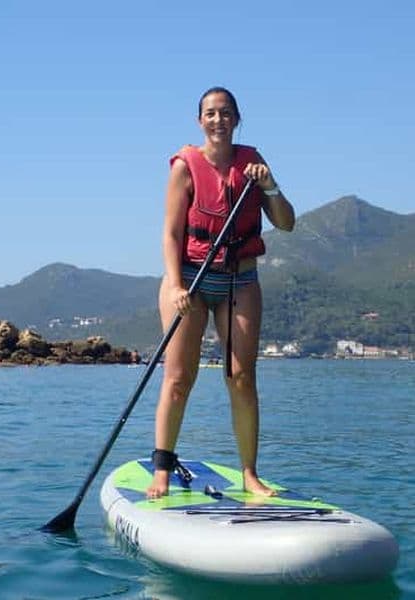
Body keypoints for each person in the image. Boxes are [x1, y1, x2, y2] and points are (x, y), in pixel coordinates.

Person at [147, 86, 295, 499]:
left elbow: (286, 223)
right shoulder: (184, 166)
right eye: (210, 114)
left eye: (225, 113)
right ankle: (161, 470)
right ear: (200, 121)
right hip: (190, 280)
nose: (218, 120)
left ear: (236, 119)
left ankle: (250, 474)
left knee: (242, 378)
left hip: (239, 280)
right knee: (179, 378)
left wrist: (270, 186)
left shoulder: (254, 163)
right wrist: (175, 283)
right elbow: (172, 232)